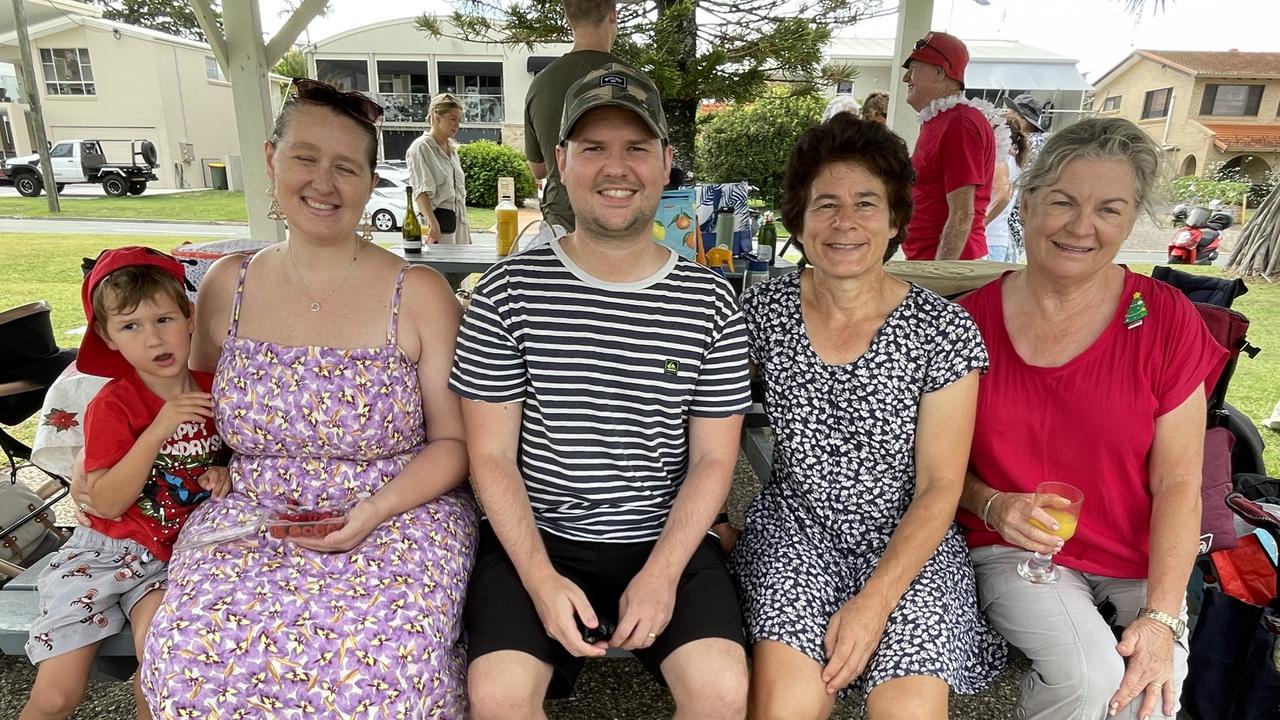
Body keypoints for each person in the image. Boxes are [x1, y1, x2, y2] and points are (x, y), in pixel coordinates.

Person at [133, 78, 478, 717]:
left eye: (347, 166)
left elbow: (455, 445)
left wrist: (371, 513)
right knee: (190, 655)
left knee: (378, 668)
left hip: (398, 512)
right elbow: (196, 410)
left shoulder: (421, 294)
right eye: (305, 158)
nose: (324, 182)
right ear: (271, 160)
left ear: (373, 183)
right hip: (251, 512)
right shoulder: (226, 287)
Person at [452, 63, 752, 718]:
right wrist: (537, 577)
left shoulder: (711, 303)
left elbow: (714, 459)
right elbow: (492, 458)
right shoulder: (505, 294)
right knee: (498, 696)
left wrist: (664, 572)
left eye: (636, 148)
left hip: (666, 538)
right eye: (593, 148)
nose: (616, 168)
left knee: (723, 690)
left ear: (668, 162)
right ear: (560, 162)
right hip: (538, 537)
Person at [728, 113, 1006, 720]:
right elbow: (700, 413)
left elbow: (939, 485)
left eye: (865, 203)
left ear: (896, 219)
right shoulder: (762, 312)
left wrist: (874, 602)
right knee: (785, 709)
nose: (844, 222)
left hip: (910, 543)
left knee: (907, 712)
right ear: (798, 221)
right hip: (795, 535)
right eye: (824, 204)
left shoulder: (943, 330)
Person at [955, 117, 1228, 720]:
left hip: (1139, 553)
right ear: (1025, 204)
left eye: (1109, 208)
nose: (1082, 227)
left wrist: (1160, 617)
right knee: (1087, 677)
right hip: (1012, 547)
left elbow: (1178, 481)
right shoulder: (965, 324)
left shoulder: (1165, 320)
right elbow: (931, 466)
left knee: (1153, 691)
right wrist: (993, 503)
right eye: (1062, 202)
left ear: (1131, 219)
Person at [22, 247, 229, 720]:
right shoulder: (114, 405)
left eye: (163, 319)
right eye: (130, 326)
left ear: (189, 316)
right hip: (101, 554)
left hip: (170, 563)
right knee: (57, 697)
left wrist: (225, 473)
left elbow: (236, 458)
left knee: (159, 671)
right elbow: (109, 503)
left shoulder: (216, 388)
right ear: (107, 336)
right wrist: (158, 429)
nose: (153, 338)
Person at [900, 31, 1006, 261]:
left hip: (951, 269)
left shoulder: (959, 122)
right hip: (931, 263)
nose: (906, 78)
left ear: (940, 72)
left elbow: (961, 213)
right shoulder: (941, 120)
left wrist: (939, 278)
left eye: (914, 69)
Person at [524, 0, 622, 234]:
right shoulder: (635, 83)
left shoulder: (542, 83)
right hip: (619, 224)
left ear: (568, 19)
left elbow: (538, 169)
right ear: (612, 14)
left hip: (561, 223)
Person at [407, 92, 471, 244]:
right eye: (453, 119)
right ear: (437, 117)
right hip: (438, 223)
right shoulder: (421, 147)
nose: (457, 125)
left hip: (459, 223)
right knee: (440, 266)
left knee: (462, 267)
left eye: (459, 120)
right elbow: (420, 190)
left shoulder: (452, 150)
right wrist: (432, 222)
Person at [1003, 94, 1050, 261]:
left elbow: (1023, 182)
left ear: (1024, 120)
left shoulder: (1032, 144)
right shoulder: (1036, 143)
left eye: (1012, 114)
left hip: (1013, 215)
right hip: (1019, 215)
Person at [985, 118, 1028, 262]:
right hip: (998, 238)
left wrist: (980, 224)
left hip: (990, 239)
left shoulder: (1001, 162)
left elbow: (1004, 195)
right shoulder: (1014, 163)